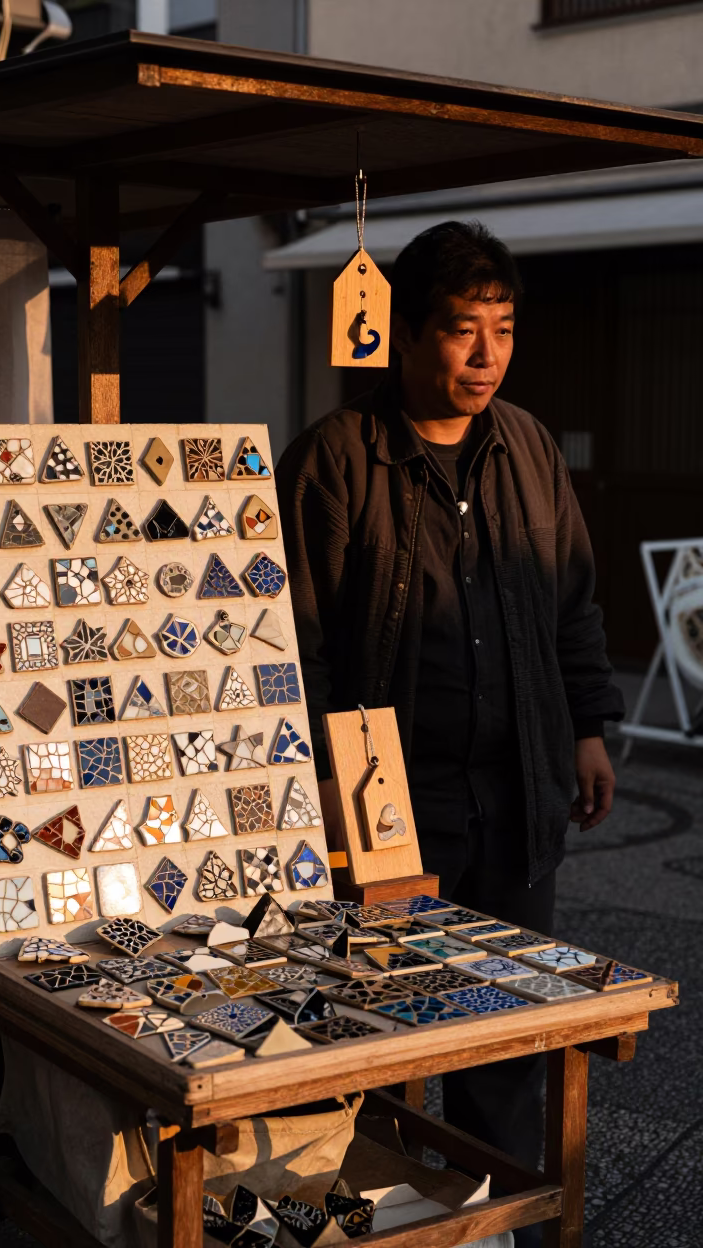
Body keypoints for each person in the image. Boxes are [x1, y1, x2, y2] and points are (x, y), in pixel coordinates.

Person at [276, 220, 623, 1246]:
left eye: (502, 331)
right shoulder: (336, 458)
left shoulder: (529, 448)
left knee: (505, 1042)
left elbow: (571, 600)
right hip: (389, 802)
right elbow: (296, 637)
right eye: (463, 330)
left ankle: (496, 1234)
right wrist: (328, 774)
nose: (486, 355)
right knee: (375, 1043)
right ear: (408, 334)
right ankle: (384, 1229)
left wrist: (589, 727)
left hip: (514, 792)